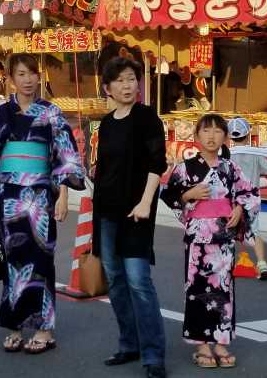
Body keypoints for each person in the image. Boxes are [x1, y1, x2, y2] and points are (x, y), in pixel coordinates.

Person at [0, 53, 86, 354]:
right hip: (8, 196)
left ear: (39, 77)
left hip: (39, 197)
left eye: (31, 74)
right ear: (11, 78)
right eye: (20, 74)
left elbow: (66, 154)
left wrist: (63, 194)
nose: (27, 80)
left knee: (41, 260)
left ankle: (45, 328)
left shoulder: (51, 112)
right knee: (13, 261)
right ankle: (14, 325)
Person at [161, 114, 259, 369]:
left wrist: (239, 208)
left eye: (218, 131)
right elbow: (168, 194)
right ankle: (201, 343)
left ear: (225, 137)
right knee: (196, 289)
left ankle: (221, 340)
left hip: (223, 235)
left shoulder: (231, 168)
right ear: (196, 138)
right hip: (197, 238)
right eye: (206, 131)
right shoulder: (185, 168)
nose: (212, 136)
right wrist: (188, 195)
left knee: (223, 288)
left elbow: (249, 193)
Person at [91, 57, 168, 378]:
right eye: (120, 80)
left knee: (138, 281)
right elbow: (105, 166)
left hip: (137, 211)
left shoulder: (147, 117)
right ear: (107, 88)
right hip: (106, 210)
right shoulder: (107, 123)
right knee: (116, 281)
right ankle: (129, 343)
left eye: (131, 79)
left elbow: (157, 164)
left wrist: (147, 202)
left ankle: (153, 355)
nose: (127, 85)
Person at [225, 117, 267, 279]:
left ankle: (228, 265)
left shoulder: (227, 154)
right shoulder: (255, 153)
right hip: (252, 198)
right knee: (254, 231)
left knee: (228, 230)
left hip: (232, 199)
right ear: (248, 134)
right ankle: (262, 263)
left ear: (229, 136)